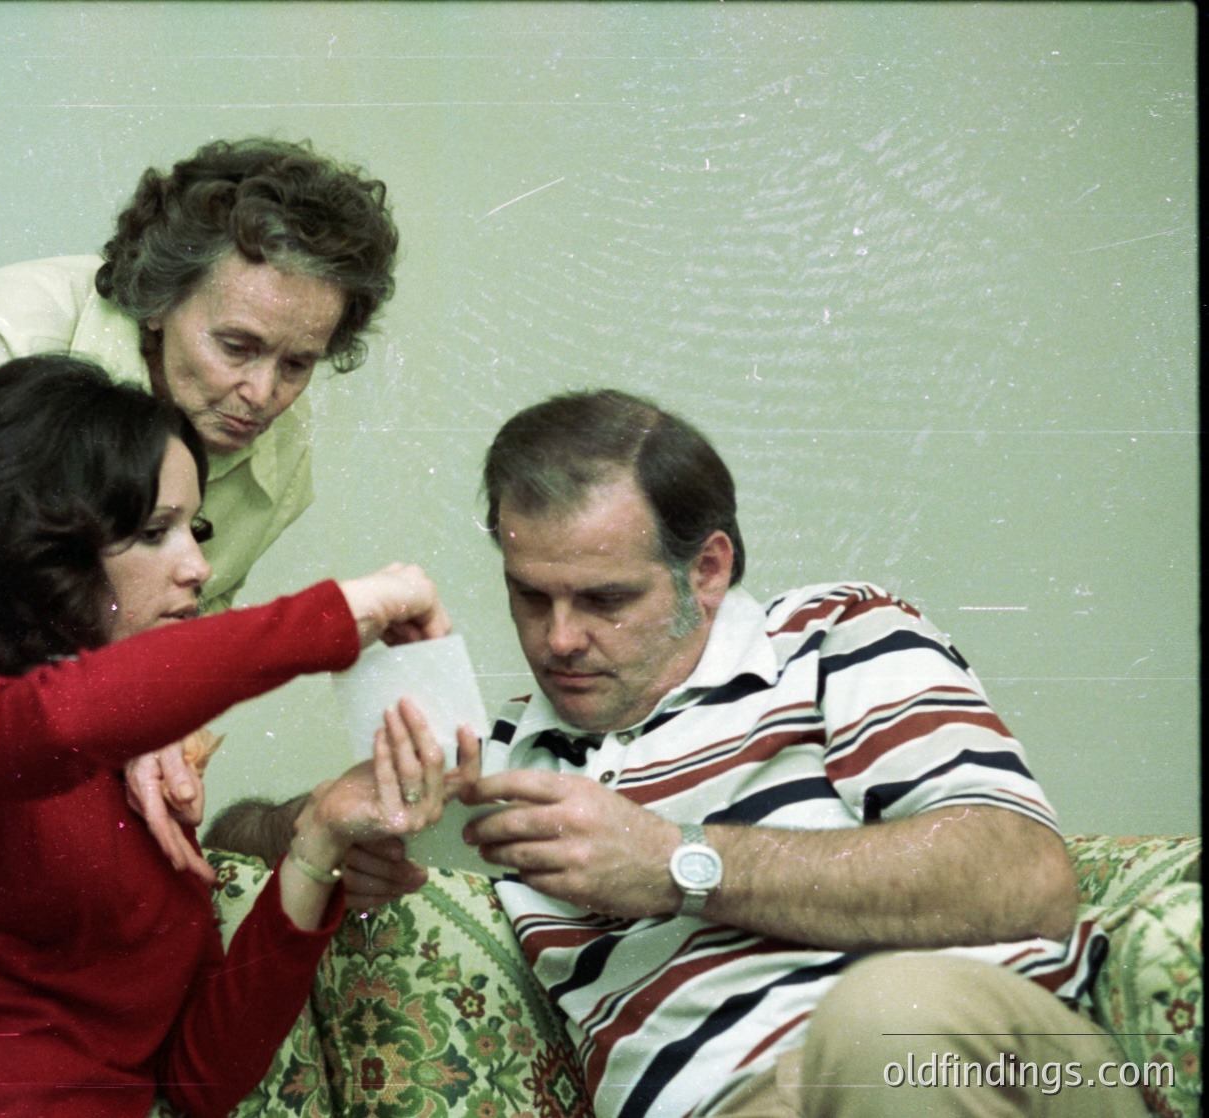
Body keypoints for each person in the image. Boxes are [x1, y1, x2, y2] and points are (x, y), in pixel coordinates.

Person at [344, 389, 1146, 1118]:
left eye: (606, 599)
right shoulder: (505, 762)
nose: (559, 640)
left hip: (961, 1060)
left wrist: (681, 863)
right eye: (530, 595)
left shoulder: (836, 640)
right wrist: (328, 828)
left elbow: (1028, 878)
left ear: (708, 570)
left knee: (878, 1020)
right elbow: (250, 839)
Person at [0, 355, 477, 1118]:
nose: (199, 567)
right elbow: (54, 721)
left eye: (195, 527)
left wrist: (317, 843)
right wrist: (338, 614)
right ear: (41, 554)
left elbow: (199, 1080)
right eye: (154, 532)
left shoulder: (147, 778)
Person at [0, 137, 399, 872]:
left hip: (70, 708)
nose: (262, 393)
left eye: (297, 364)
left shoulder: (280, 450)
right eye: (237, 346)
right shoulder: (7, 332)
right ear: (159, 304)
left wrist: (158, 721)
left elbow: (183, 631)